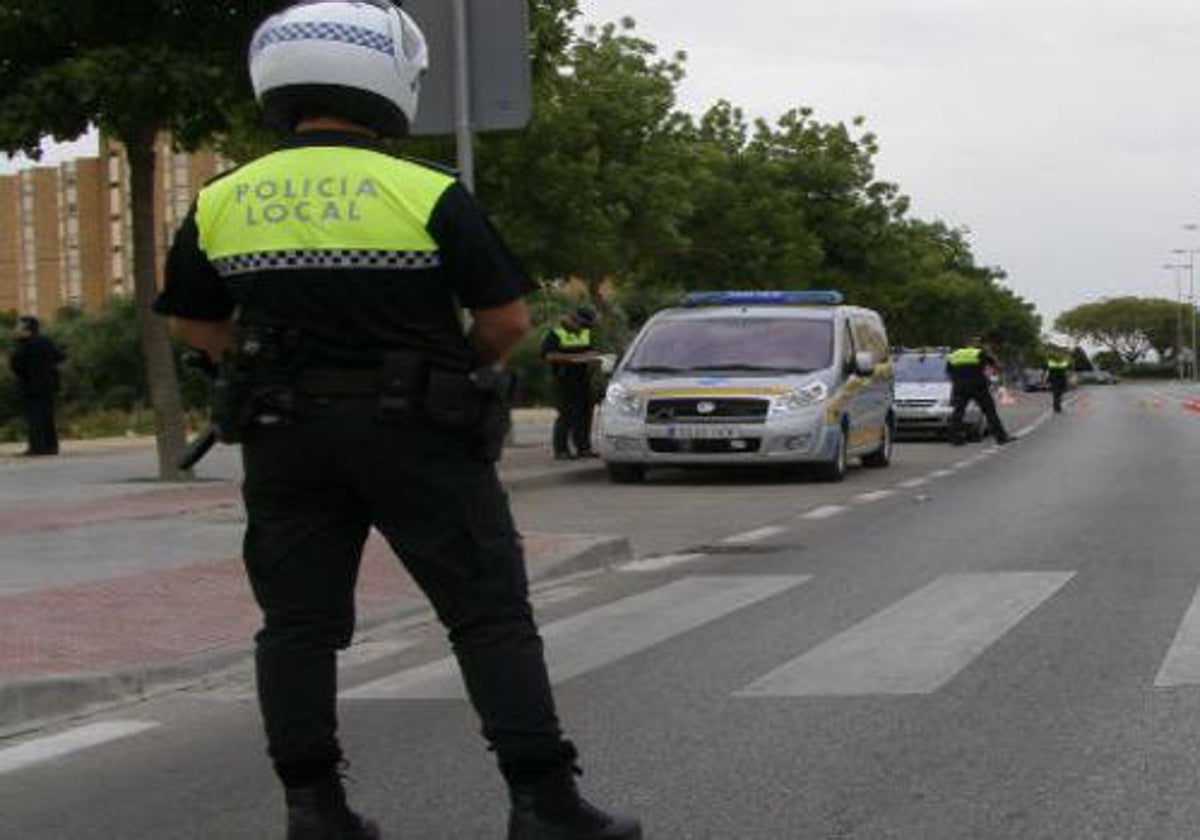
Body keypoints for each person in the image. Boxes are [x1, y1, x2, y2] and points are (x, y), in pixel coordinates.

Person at [152, 3, 641, 838]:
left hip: (286, 440)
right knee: (488, 616)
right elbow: (507, 318)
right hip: (420, 433)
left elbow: (191, 323)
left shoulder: (221, 200)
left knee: (297, 625)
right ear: (386, 80)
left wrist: (262, 363)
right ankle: (543, 803)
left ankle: (315, 810)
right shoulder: (427, 192)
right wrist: (469, 370)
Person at [542, 308, 601, 460]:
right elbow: (549, 356)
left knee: (585, 413)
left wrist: (595, 357)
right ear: (573, 320)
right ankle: (561, 450)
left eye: (588, 326)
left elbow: (590, 351)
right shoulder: (556, 333)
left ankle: (584, 448)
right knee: (567, 414)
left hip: (583, 379)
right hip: (564, 379)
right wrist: (576, 357)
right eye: (583, 324)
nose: (585, 328)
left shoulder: (584, 332)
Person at [8, 315, 65, 456]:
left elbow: (16, 364)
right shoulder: (46, 341)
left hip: (31, 386)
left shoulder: (24, 344)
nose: (16, 329)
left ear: (26, 328)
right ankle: (51, 446)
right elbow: (60, 356)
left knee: (34, 417)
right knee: (47, 416)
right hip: (49, 385)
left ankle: (37, 447)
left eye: (18, 326)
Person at [946, 336, 1011, 445]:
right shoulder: (979, 353)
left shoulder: (954, 354)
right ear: (975, 344)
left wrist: (958, 380)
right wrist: (989, 352)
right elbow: (997, 366)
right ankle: (1001, 437)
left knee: (958, 412)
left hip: (960, 386)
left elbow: (949, 372)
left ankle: (955, 439)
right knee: (990, 411)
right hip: (978, 386)